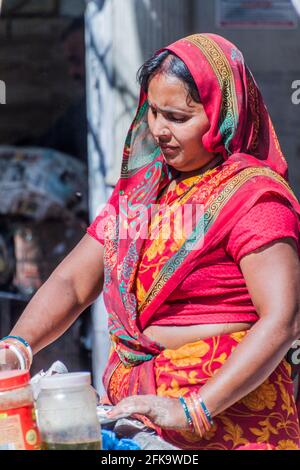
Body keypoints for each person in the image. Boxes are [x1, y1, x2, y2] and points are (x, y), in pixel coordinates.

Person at [1, 33, 300, 450]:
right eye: (153, 111)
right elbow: (73, 282)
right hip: (140, 420)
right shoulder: (145, 192)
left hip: (232, 424)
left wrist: (196, 407)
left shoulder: (253, 198)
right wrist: (17, 348)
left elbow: (282, 320)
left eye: (177, 116)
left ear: (222, 114)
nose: (158, 129)